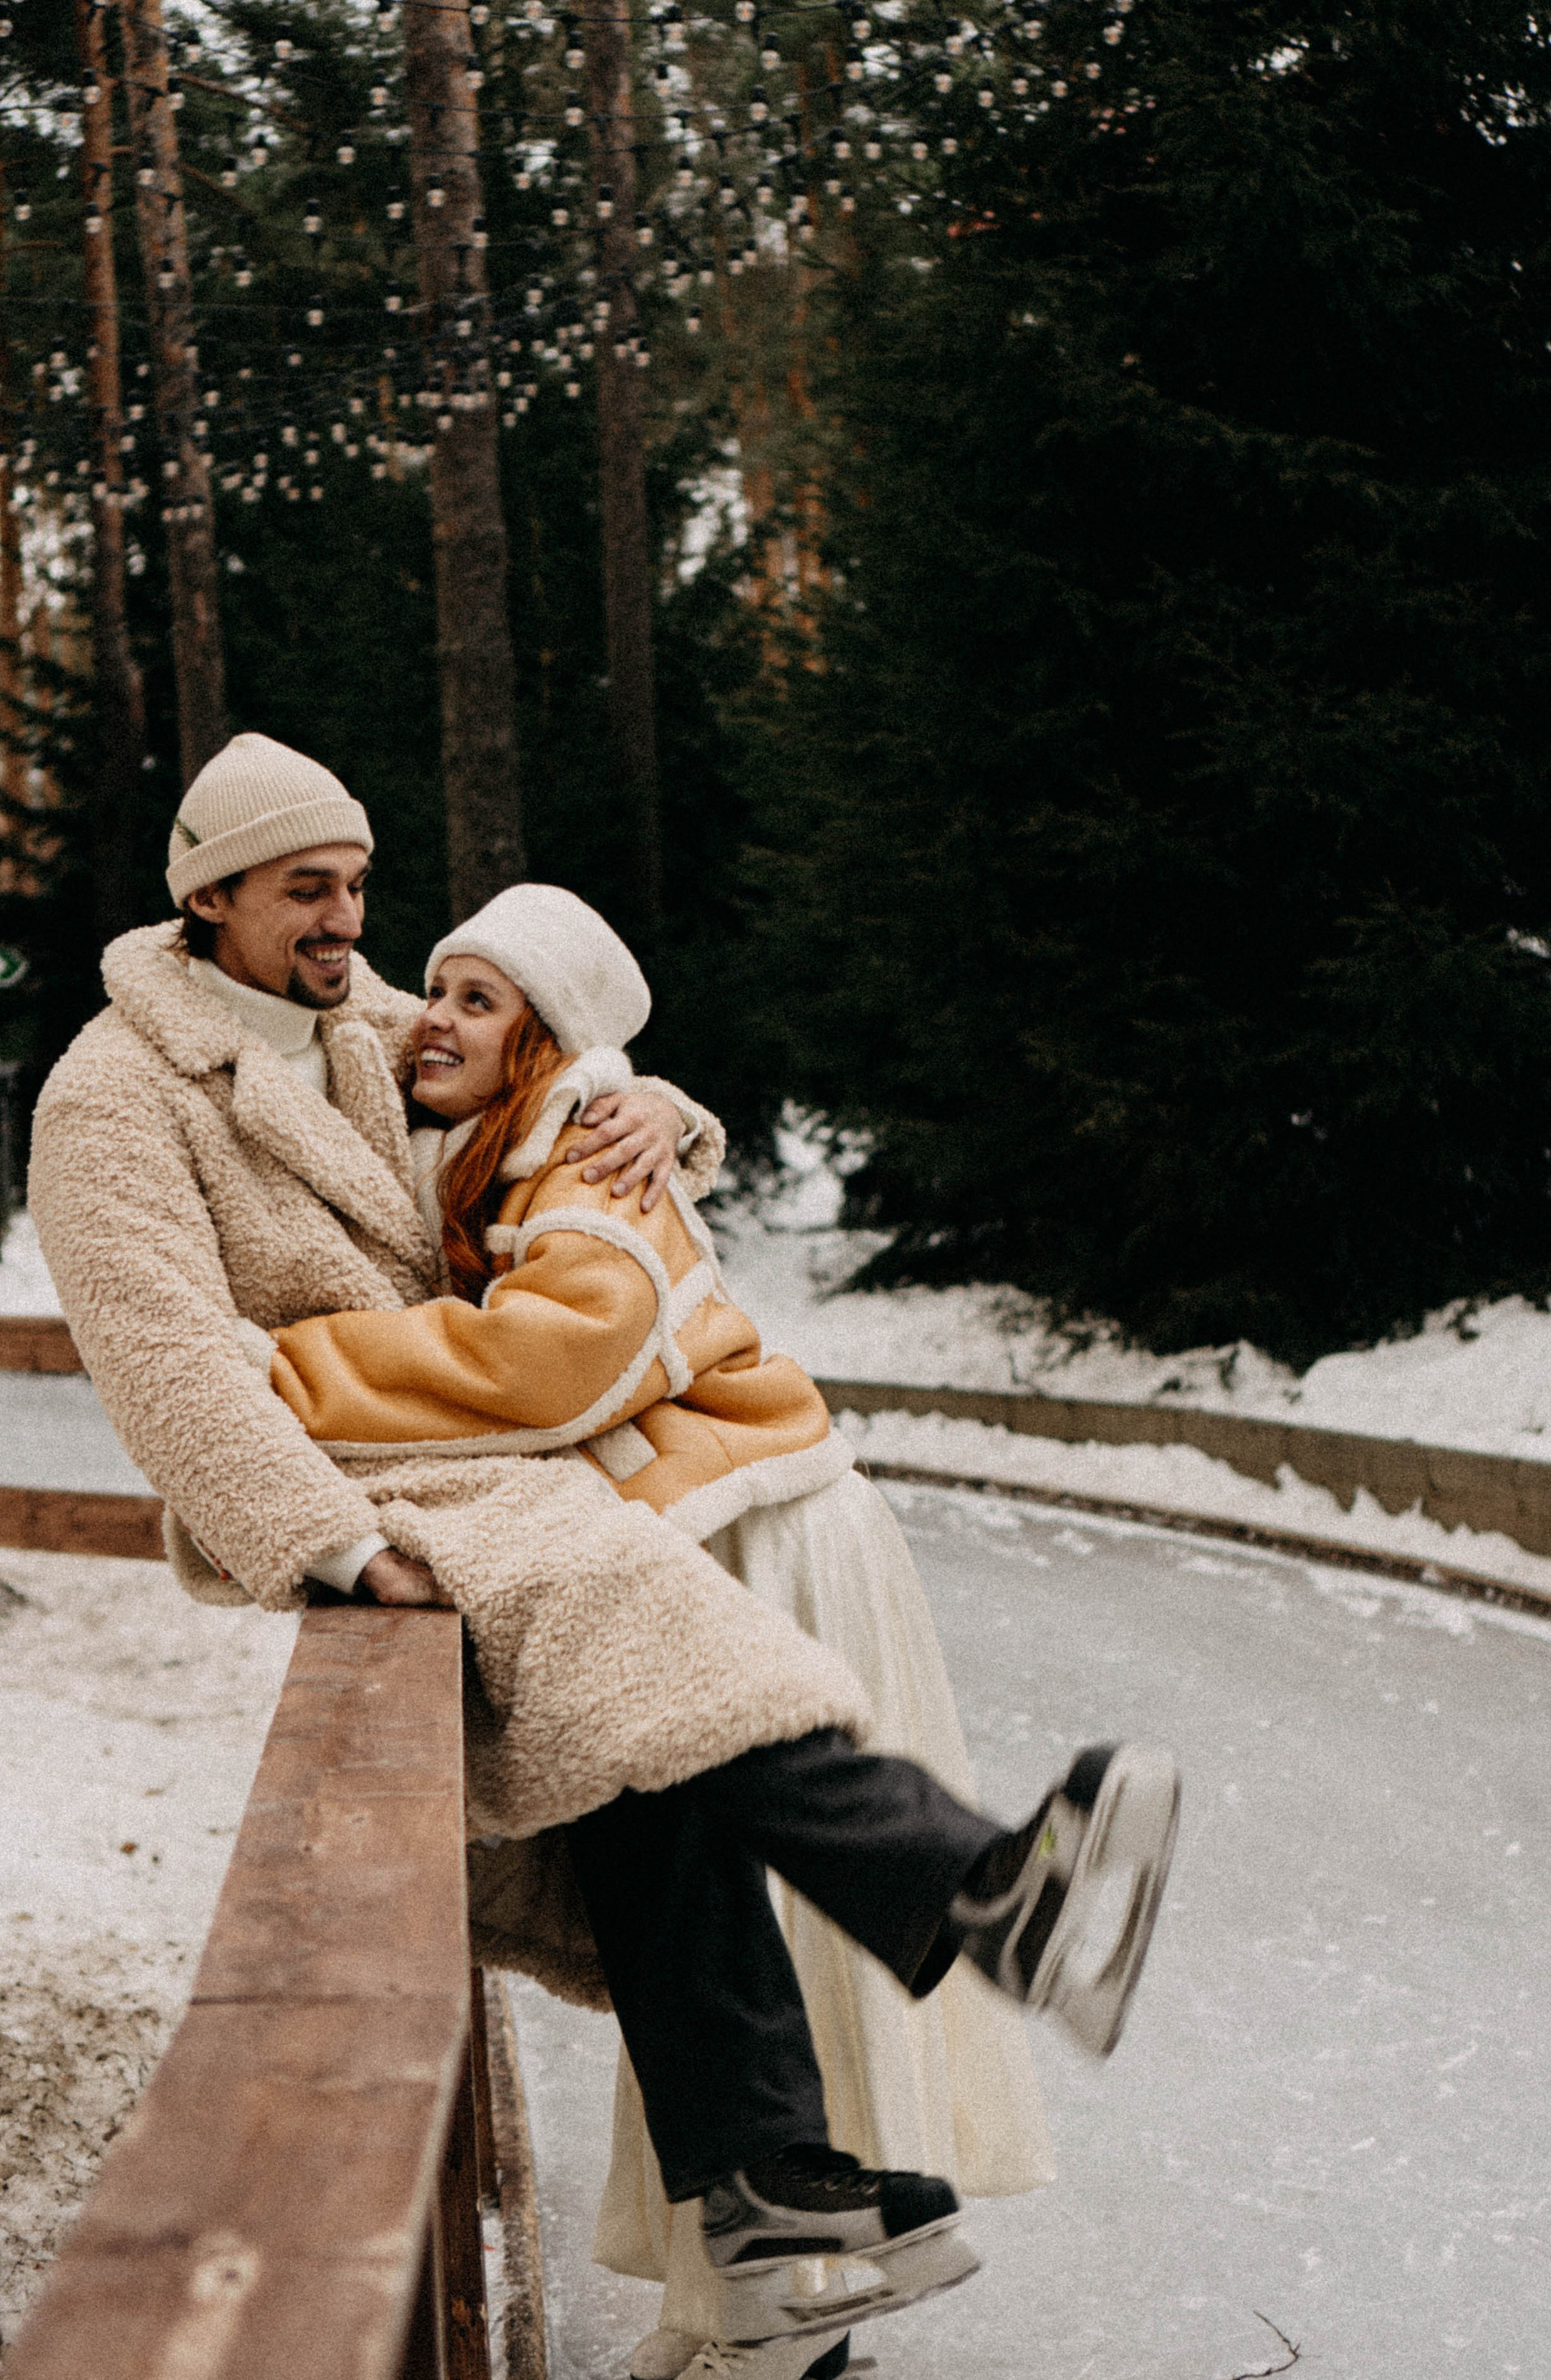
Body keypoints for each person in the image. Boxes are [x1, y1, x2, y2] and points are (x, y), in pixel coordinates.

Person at [29, 737, 1179, 2379]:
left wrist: (658, 1104)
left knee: (641, 1748)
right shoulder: (114, 1094)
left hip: (470, 1450)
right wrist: (327, 1543)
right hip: (354, 1478)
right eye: (308, 890)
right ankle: (981, 1897)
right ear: (206, 896)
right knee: (650, 1642)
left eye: (358, 881)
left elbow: (534, 1077)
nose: (349, 918)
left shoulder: (352, 1024)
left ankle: (771, 2192)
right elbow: (162, 1365)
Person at [256, 880, 1058, 2378]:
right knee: (671, 1885)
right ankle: (754, 2283)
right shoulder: (498, 1135)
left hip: (761, 1535)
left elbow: (553, 1360)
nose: (431, 1016)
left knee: (758, 1919)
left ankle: (800, 2281)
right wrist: (659, 1105)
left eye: (476, 998)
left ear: (546, 1041)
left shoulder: (574, 1156)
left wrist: (291, 1372)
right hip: (675, 1542)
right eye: (433, 983)